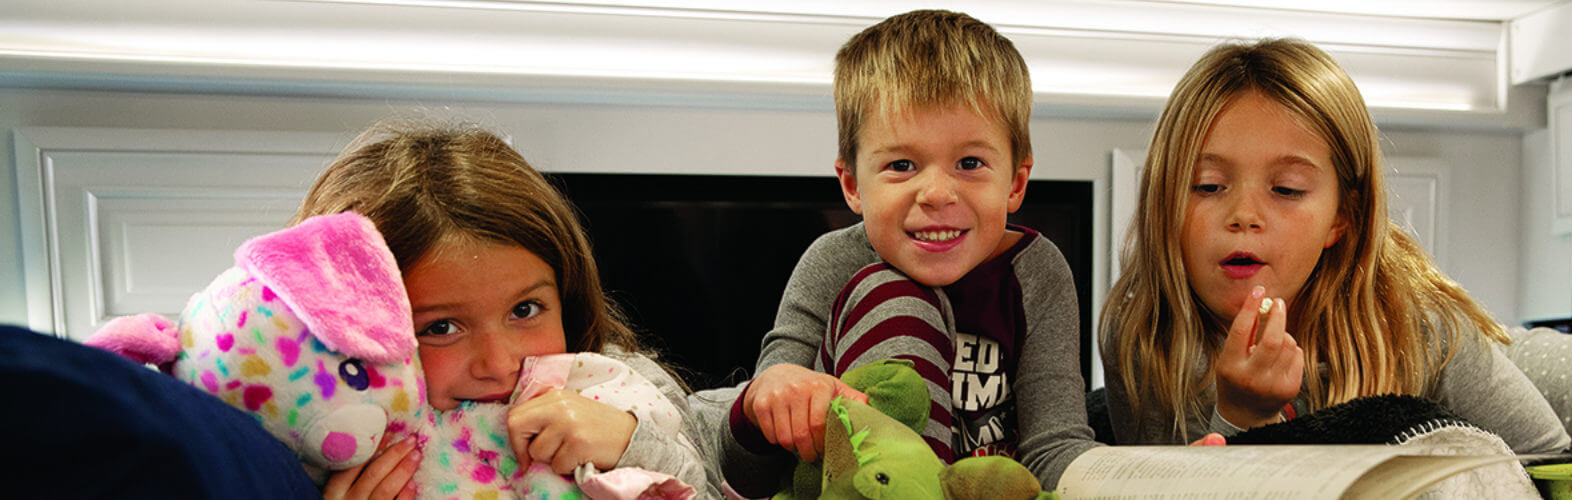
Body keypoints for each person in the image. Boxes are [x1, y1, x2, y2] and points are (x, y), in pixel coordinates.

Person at [1098, 38, 1571, 454]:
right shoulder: (1144, 336)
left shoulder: (1424, 331)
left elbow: (1552, 462)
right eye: (1207, 185)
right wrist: (1241, 418)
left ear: (1342, 217)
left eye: (1286, 190)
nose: (1244, 215)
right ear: (1164, 204)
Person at [716, 10, 1098, 497]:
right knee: (889, 291)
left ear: (1016, 183)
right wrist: (760, 404)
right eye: (901, 164)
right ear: (853, 185)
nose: (936, 193)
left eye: (970, 163)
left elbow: (1055, 446)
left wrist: (1150, 474)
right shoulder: (830, 262)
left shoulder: (1037, 272)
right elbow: (744, 471)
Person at [291, 120, 717, 500]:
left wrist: (634, 445)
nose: (499, 364)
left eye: (525, 309)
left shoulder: (624, 384)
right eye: (441, 327)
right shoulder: (333, 445)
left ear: (566, 298)